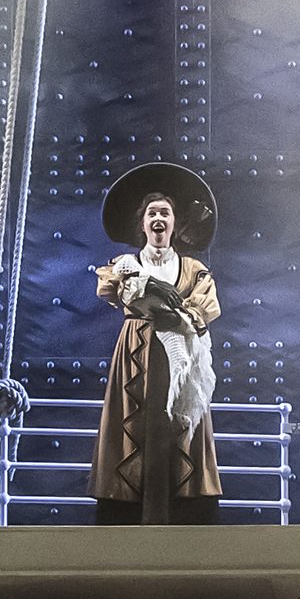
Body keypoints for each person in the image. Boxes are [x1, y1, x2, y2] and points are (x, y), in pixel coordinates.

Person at [91, 166, 224, 524]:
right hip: (137, 356)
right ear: (143, 224)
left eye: (165, 212)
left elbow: (207, 306)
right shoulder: (125, 265)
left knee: (178, 423)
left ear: (174, 223)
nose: (159, 218)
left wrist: (181, 317)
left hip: (179, 356)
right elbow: (109, 289)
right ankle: (129, 510)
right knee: (134, 427)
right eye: (153, 213)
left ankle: (182, 511)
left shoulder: (192, 268)